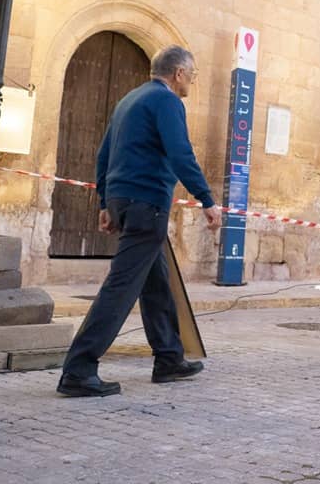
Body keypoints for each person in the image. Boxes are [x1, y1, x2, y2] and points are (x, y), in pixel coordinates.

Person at [57, 45, 222, 398]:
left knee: (156, 281)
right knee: (121, 287)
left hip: (125, 201)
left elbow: (104, 155)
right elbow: (181, 153)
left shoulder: (128, 100)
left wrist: (106, 203)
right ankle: (78, 370)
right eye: (192, 75)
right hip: (147, 203)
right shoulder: (167, 101)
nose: (192, 82)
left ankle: (169, 358)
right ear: (178, 73)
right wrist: (207, 199)